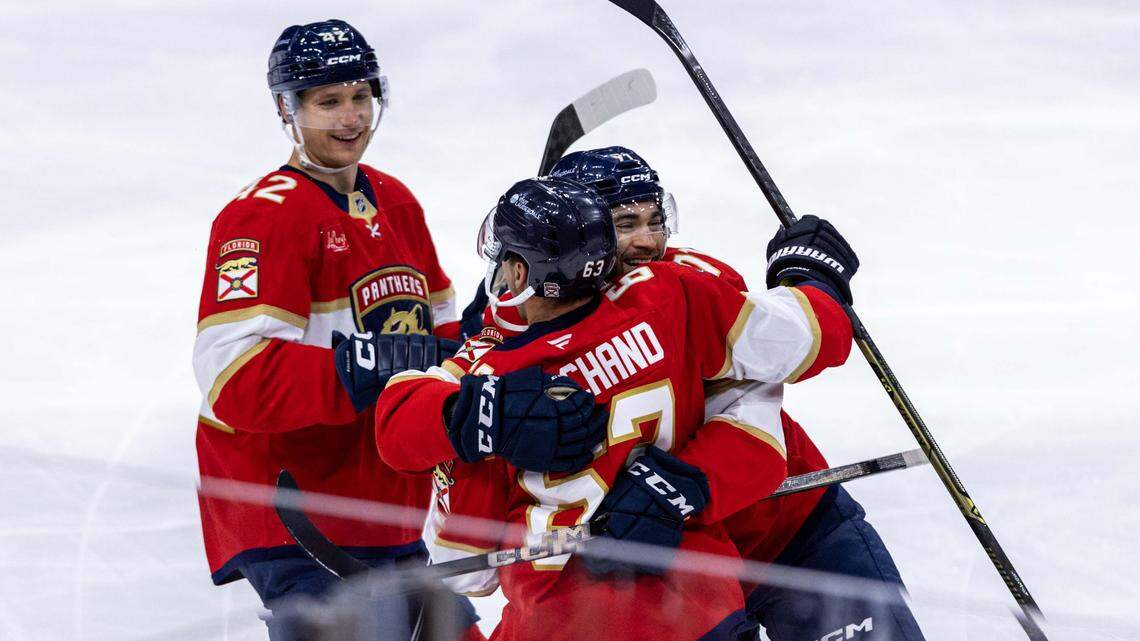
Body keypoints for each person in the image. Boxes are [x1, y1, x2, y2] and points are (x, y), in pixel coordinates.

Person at [369, 176, 856, 640]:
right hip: (701, 610)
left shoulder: (488, 379)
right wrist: (811, 277)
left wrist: (478, 405)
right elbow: (812, 337)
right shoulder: (673, 294)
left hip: (560, 623)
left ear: (518, 272)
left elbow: (466, 569)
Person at [548, 146, 926, 641]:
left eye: (654, 220)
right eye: (625, 224)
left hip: (789, 531)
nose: (647, 241)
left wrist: (810, 286)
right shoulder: (536, 325)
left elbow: (757, 409)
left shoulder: (694, 283)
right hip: (673, 583)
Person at [192, 19, 481, 640]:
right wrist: (377, 363)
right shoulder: (261, 218)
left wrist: (492, 329)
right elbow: (234, 377)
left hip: (381, 501)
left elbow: (441, 334)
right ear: (285, 109)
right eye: (328, 102)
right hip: (296, 510)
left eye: (360, 96)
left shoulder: (395, 201)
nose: (351, 117)